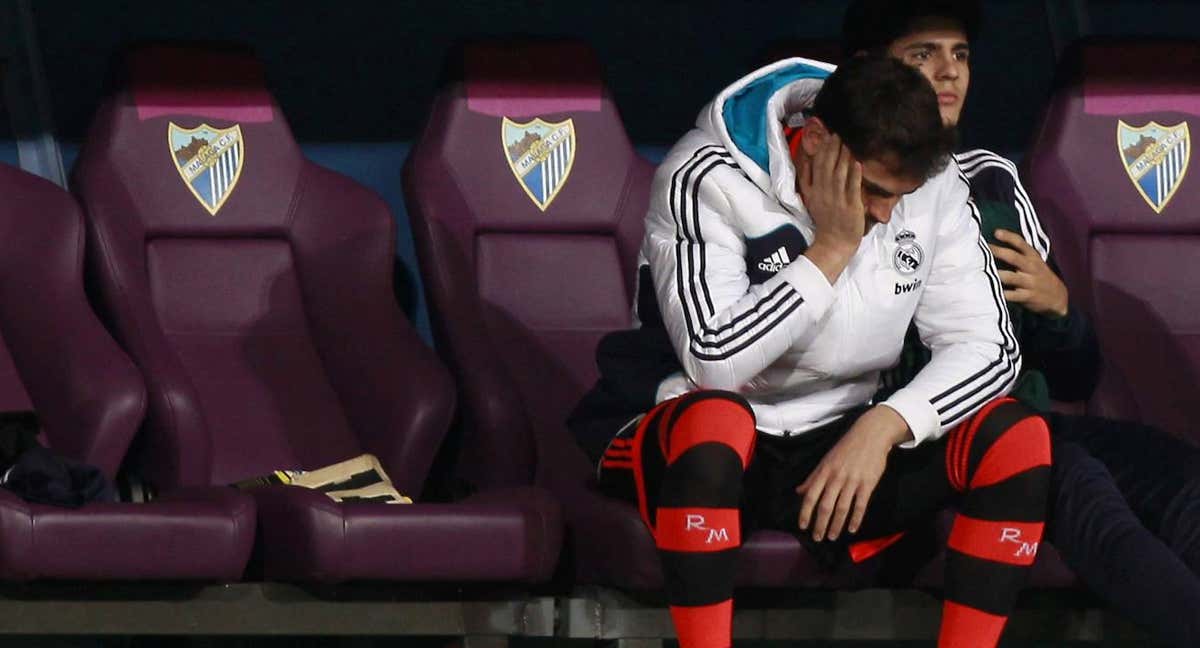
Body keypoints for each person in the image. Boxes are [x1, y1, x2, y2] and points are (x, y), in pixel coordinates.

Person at [570, 55, 1050, 648]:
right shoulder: (708, 175)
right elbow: (714, 361)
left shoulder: (933, 182)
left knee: (1016, 438)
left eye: (900, 197)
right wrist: (830, 250)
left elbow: (988, 347)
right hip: (705, 437)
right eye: (873, 190)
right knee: (717, 422)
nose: (884, 214)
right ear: (816, 139)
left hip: (846, 439)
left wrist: (887, 424)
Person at [841, 1, 1200, 644]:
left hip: (1028, 419)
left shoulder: (991, 181)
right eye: (923, 54)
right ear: (871, 70)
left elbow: (1076, 374)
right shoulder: (844, 186)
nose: (948, 73)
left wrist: (1058, 310)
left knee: (1180, 476)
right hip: (930, 442)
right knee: (1078, 484)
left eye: (961, 55)